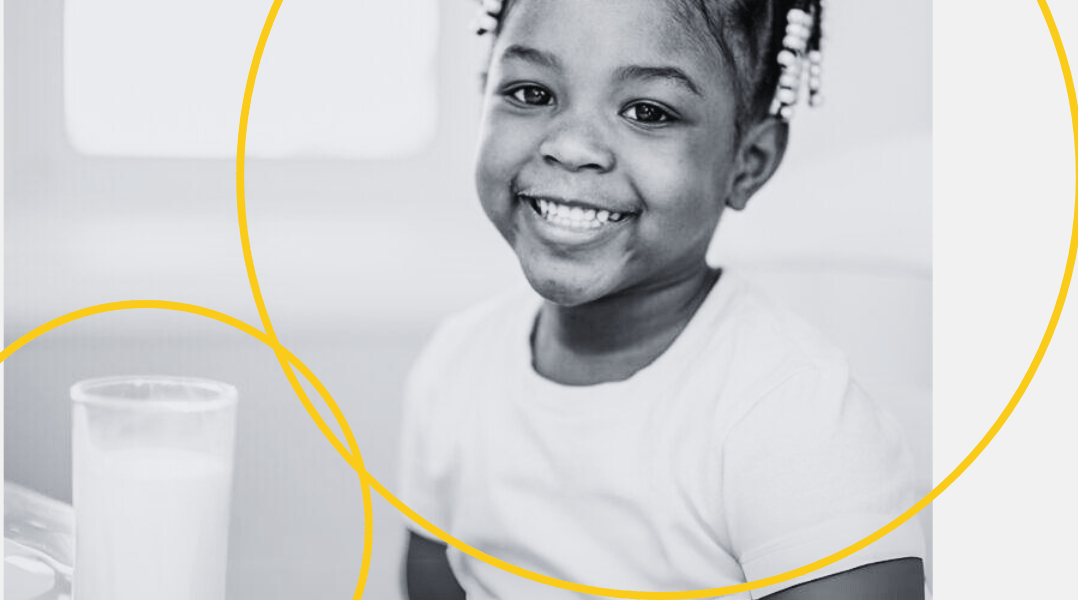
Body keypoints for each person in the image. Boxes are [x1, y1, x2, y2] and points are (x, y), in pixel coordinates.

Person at [397, 0, 927, 597]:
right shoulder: (455, 367)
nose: (571, 147)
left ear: (747, 164)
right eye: (530, 93)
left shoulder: (792, 424)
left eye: (647, 111)